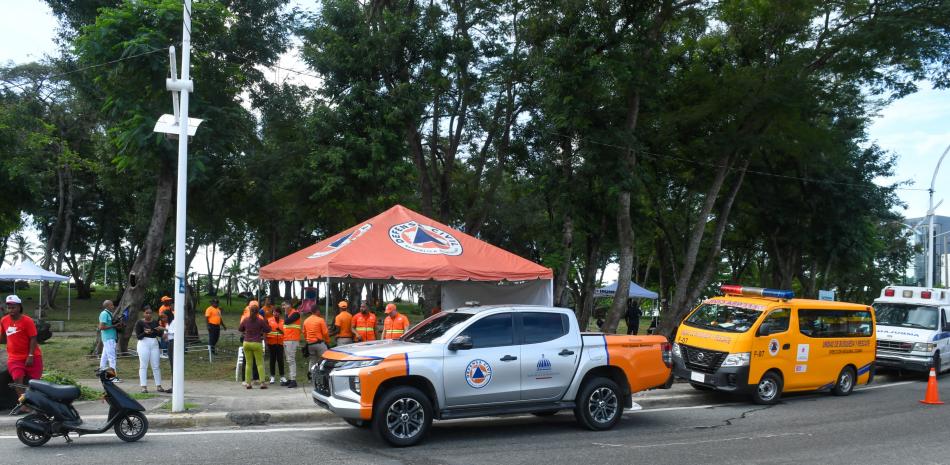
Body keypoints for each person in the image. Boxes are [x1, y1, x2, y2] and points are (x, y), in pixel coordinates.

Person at [1, 295, 43, 404]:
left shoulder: (27, 321)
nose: (11, 310)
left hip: (32, 356)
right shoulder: (4, 320)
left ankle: (35, 403)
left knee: (34, 382)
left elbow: (33, 338)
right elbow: (3, 337)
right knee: (17, 379)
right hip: (14, 357)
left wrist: (30, 355)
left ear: (19, 307)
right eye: (9, 307)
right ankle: (23, 404)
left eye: (13, 307)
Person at [238, 302, 270, 389]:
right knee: (259, 363)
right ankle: (262, 383)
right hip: (257, 343)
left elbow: (240, 329)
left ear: (250, 311)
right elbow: (267, 330)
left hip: (247, 343)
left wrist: (246, 330)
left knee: (248, 364)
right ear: (257, 312)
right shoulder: (260, 320)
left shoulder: (245, 319)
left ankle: (248, 383)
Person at [134, 306, 165, 393]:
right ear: (143, 313)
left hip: (154, 343)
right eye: (147, 313)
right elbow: (138, 336)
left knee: (156, 365)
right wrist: (145, 332)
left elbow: (159, 334)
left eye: (150, 313)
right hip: (143, 343)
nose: (148, 314)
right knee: (143, 365)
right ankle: (143, 386)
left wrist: (159, 330)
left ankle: (158, 385)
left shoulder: (155, 322)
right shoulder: (139, 322)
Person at [99, 300, 123, 383]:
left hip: (110, 338)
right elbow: (101, 327)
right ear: (108, 306)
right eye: (112, 305)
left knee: (104, 357)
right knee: (112, 358)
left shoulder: (108, 313)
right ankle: (112, 377)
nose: (113, 306)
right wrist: (114, 326)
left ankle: (102, 376)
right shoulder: (104, 314)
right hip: (108, 338)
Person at [281, 301, 301, 388]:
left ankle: (293, 380)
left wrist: (285, 313)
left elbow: (287, 322)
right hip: (287, 340)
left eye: (284, 305)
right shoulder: (289, 314)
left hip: (292, 340)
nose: (283, 307)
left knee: (291, 360)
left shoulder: (296, 314)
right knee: (289, 360)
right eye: (282, 306)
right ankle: (291, 379)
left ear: (290, 306)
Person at [303, 308, 329, 376]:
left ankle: (311, 375)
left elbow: (304, 333)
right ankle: (324, 374)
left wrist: (307, 340)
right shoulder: (320, 320)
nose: (320, 312)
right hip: (319, 343)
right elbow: (325, 333)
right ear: (317, 311)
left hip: (310, 344)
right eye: (319, 311)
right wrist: (327, 341)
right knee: (325, 358)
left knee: (312, 360)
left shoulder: (306, 320)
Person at [265, 306, 286, 385]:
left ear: (279, 313)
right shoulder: (269, 320)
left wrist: (280, 332)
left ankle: (282, 376)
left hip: (280, 344)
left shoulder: (283, 322)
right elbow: (265, 331)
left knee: (280, 360)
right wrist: (266, 342)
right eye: (274, 312)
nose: (275, 313)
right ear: (272, 313)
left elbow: (284, 333)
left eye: (277, 312)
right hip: (271, 343)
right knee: (272, 360)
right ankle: (272, 377)